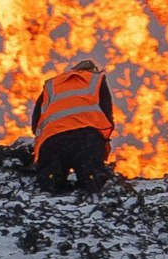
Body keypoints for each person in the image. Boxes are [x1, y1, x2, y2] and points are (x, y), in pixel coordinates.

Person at [30, 57, 114, 192]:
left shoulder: (53, 84)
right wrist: (102, 142)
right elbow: (107, 114)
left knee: (50, 187)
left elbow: (35, 121)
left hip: (52, 142)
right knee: (93, 184)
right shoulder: (95, 80)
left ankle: (54, 184)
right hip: (86, 140)